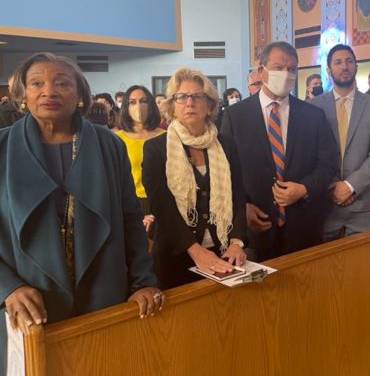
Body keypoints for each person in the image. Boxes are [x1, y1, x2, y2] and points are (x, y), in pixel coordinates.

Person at [0, 53, 163, 372]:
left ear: (80, 96)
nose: (49, 91)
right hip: (31, 306)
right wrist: (8, 287)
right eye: (37, 83)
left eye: (62, 82)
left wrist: (143, 281)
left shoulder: (109, 144)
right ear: (23, 95)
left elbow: (130, 217)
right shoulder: (2, 149)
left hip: (103, 295)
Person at [220, 41, 338, 261]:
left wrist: (304, 188)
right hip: (256, 228)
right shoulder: (235, 116)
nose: (285, 74)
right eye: (278, 67)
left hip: (304, 226)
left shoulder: (313, 116)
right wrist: (242, 207)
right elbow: (225, 171)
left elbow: (329, 164)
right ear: (261, 70)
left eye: (292, 69)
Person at [142, 68, 247, 289]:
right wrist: (196, 251)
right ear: (172, 106)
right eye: (181, 97)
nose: (189, 102)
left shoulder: (226, 144)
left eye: (197, 96)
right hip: (176, 257)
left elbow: (237, 196)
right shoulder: (156, 148)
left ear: (209, 106)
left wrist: (237, 242)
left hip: (224, 252)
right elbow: (162, 207)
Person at [309, 44, 370, 240]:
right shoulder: (313, 107)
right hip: (325, 202)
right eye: (338, 62)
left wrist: (350, 186)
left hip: (364, 204)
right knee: (324, 266)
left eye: (349, 61)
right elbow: (310, 154)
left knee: (365, 266)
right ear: (329, 71)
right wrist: (334, 186)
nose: (344, 66)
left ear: (356, 67)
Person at [116, 86, 165, 233]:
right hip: (130, 202)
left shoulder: (166, 136)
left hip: (162, 201)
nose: (138, 106)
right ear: (125, 106)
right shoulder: (117, 139)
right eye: (132, 102)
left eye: (143, 101)